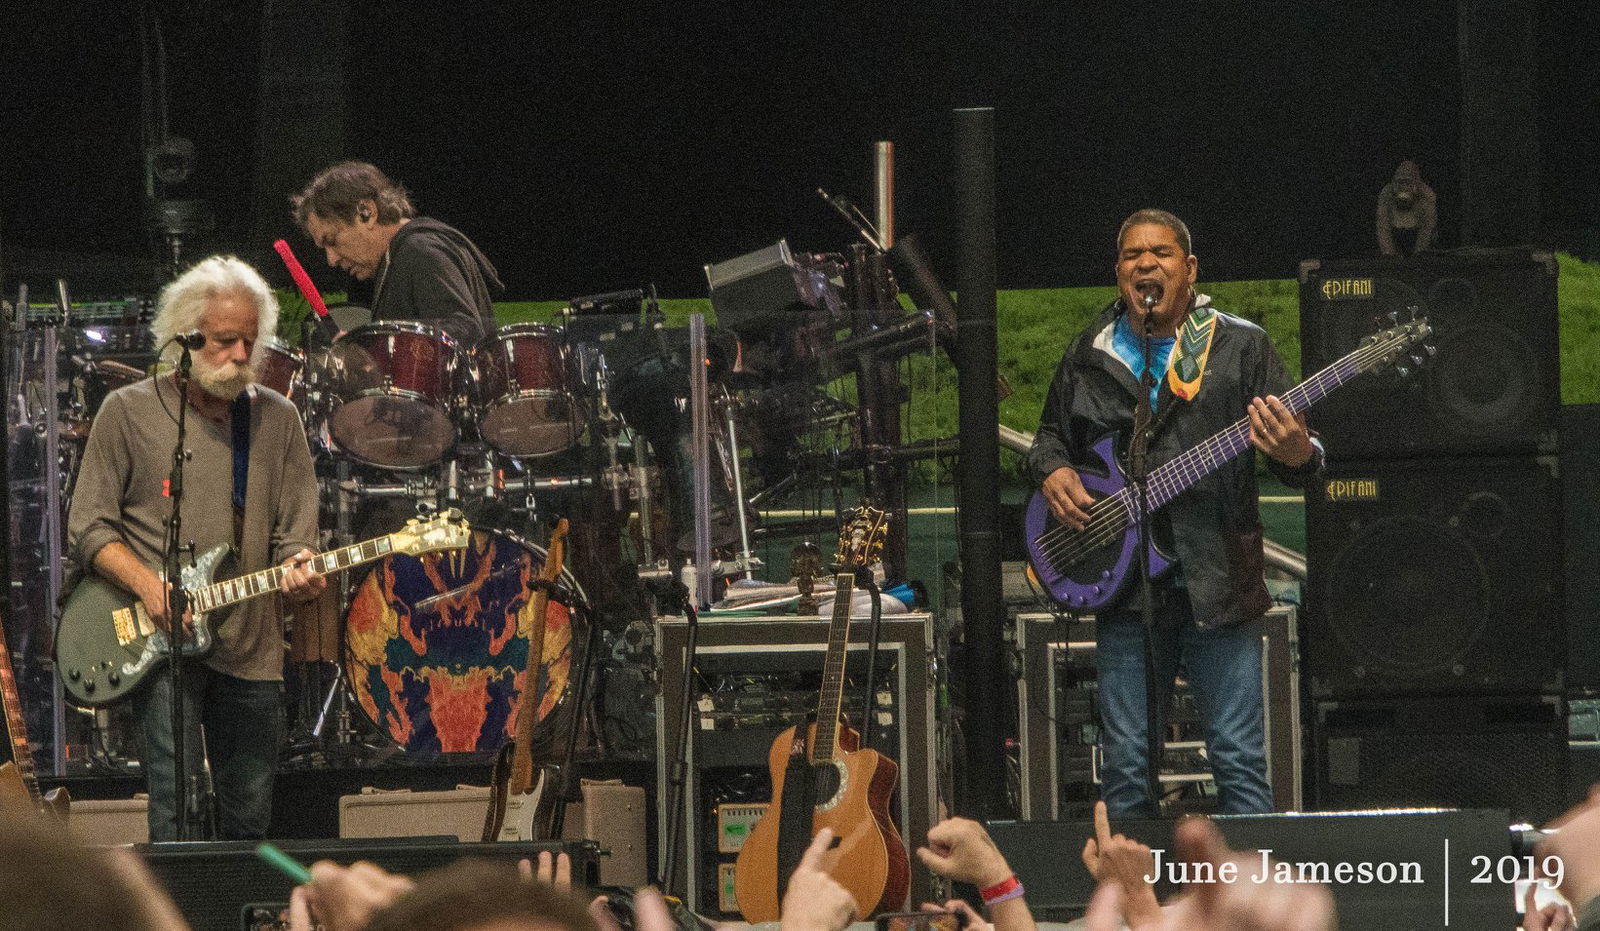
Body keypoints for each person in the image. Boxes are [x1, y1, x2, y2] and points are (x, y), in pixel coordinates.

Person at [1026, 209, 1324, 818]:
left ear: (1189, 269)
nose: (1146, 264)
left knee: (1238, 760)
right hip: (1126, 589)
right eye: (1132, 255)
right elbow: (1051, 436)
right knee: (1126, 766)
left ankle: (1248, 881)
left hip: (1217, 580)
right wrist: (1052, 468)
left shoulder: (1240, 344)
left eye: (1160, 254)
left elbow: (1300, 456)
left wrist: (1299, 451)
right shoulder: (1090, 349)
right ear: (1118, 273)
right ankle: (1132, 881)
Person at [66, 255, 326, 841]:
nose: (241, 355)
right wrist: (148, 586)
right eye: (225, 340)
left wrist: (300, 568)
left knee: (249, 817)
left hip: (252, 649)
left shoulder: (278, 419)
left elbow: (296, 538)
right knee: (176, 807)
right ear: (184, 337)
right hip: (160, 646)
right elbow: (89, 527)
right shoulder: (127, 412)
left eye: (250, 342)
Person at [291, 160, 502, 345]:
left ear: (366, 213)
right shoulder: (403, 255)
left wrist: (373, 350)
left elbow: (464, 333)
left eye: (332, 241)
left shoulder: (420, 251)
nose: (332, 259)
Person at [1375, 159, 1437, 256]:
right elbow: (1382, 227)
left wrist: (1420, 253)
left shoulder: (1427, 196)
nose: (1403, 187)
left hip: (1417, 234)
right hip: (1396, 235)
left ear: (1417, 184)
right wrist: (1388, 254)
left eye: (1408, 182)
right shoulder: (1386, 194)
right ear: (1393, 182)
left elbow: (1427, 228)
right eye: (1400, 182)